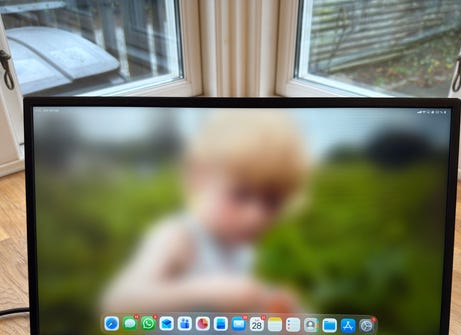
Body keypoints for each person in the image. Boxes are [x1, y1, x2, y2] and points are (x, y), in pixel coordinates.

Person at [102, 109, 308, 314]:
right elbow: (118, 304)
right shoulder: (179, 237)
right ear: (199, 176)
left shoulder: (239, 247)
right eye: (241, 194)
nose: (256, 217)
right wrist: (207, 291)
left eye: (272, 202)